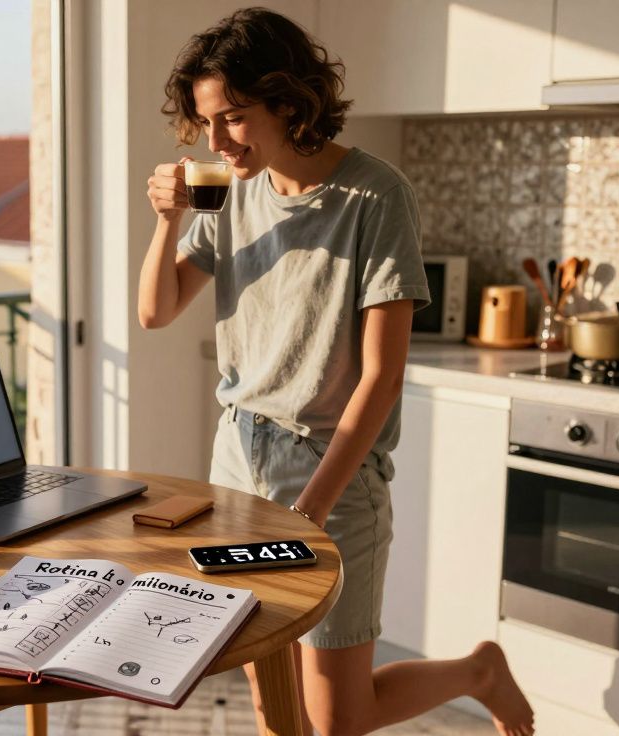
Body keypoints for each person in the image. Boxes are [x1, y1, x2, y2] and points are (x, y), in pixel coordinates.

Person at [138, 8, 535, 736]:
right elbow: (155, 312)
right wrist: (167, 221)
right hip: (238, 462)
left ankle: (479, 671)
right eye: (206, 122)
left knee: (337, 719)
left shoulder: (375, 196)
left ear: (288, 100)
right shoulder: (227, 193)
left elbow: (382, 378)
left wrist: (312, 510)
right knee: (270, 697)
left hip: (332, 473)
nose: (219, 140)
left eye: (234, 116)